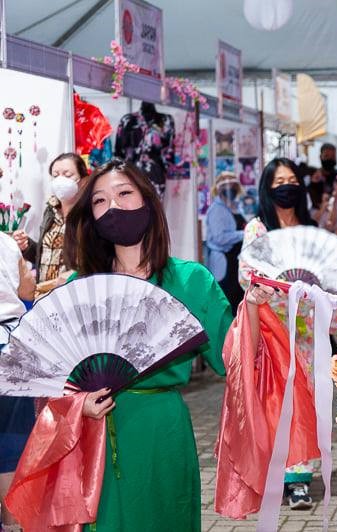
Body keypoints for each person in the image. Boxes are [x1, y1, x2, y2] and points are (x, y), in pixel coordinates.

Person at [62, 159, 233, 531]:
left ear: (148, 202)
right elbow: (51, 380)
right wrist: (78, 404)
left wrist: (255, 307)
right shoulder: (79, 287)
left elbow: (232, 360)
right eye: (100, 201)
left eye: (124, 193)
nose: (114, 207)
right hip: (96, 435)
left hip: (163, 430)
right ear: (91, 217)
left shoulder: (190, 281)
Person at [237, 157, 320, 510]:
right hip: (273, 325)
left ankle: (300, 477)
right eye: (278, 181)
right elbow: (247, 274)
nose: (286, 186)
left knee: (307, 399)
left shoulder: (311, 228)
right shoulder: (257, 229)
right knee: (278, 399)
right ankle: (282, 473)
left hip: (308, 330)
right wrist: (278, 285)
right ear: (267, 188)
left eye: (292, 180)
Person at [13, 152, 90, 297]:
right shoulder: (50, 210)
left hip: (74, 295)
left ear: (84, 180)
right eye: (55, 175)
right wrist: (26, 245)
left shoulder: (89, 215)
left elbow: (96, 260)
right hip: (44, 296)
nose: (60, 180)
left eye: (67, 175)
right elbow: (45, 254)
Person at [0, 233, 36, 532]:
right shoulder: (7, 242)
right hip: (10, 346)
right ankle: (14, 525)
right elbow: (27, 288)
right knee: (13, 444)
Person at [205, 171, 246, 312]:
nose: (230, 189)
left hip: (236, 263)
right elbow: (219, 238)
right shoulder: (216, 210)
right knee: (226, 304)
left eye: (232, 185)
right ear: (218, 188)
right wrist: (244, 234)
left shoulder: (236, 206)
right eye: (225, 185)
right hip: (224, 262)